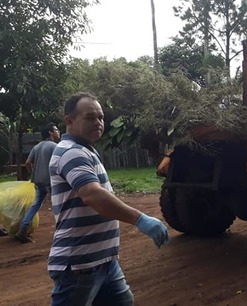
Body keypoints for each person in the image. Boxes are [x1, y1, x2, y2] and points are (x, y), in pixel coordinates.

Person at [48, 92, 169, 305]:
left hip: (104, 262)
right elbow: (92, 195)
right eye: (90, 117)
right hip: (80, 265)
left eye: (101, 117)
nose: (98, 122)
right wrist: (140, 219)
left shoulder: (85, 150)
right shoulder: (72, 152)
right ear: (69, 121)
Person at [14, 123, 61, 243]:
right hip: (50, 181)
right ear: (50, 132)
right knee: (58, 205)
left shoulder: (37, 147)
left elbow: (28, 162)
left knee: (36, 204)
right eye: (56, 130)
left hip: (38, 180)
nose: (58, 131)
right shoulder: (55, 146)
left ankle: (22, 230)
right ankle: (63, 232)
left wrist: (33, 173)